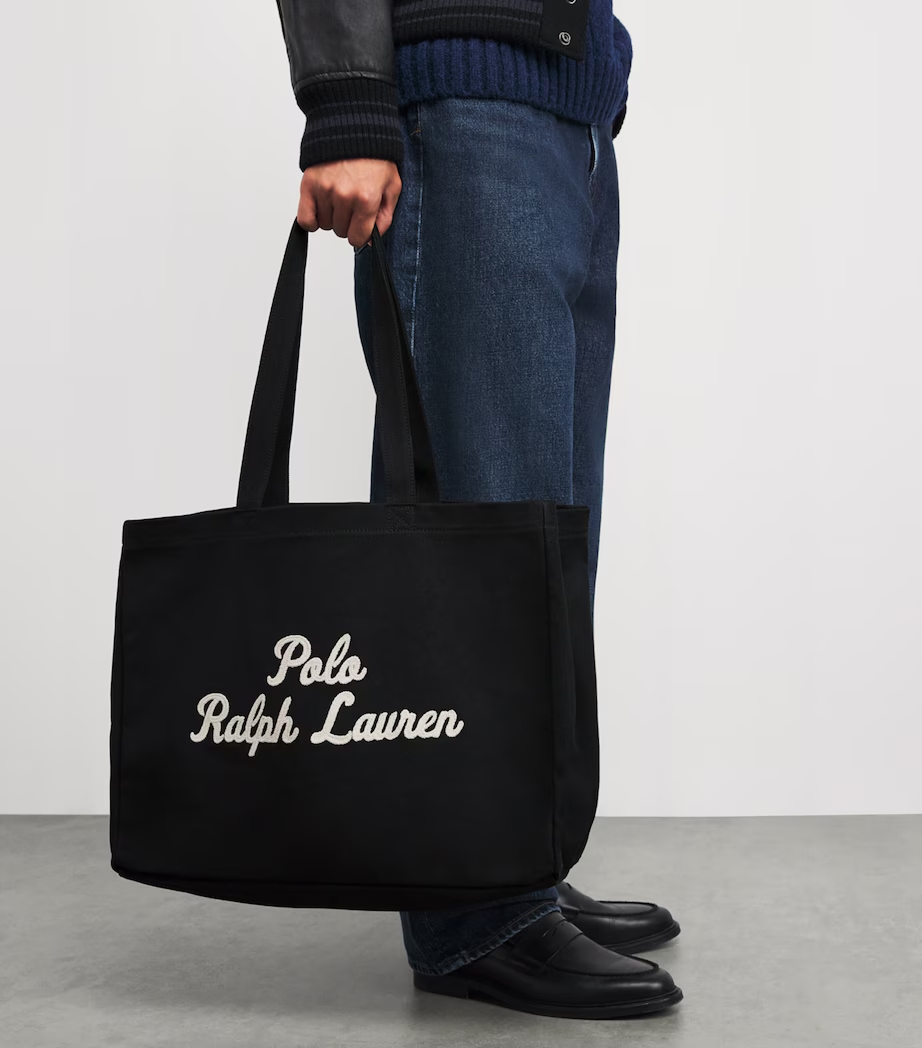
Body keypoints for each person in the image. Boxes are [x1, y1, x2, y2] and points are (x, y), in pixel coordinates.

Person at [274, 0, 684, 1020]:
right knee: (482, 528)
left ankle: (518, 862)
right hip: (465, 110)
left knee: (547, 536)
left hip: (563, 118)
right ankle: (476, 911)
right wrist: (346, 102)